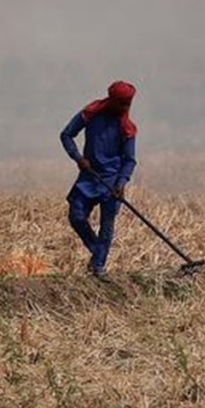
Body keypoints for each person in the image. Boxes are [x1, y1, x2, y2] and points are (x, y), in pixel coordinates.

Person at [60, 80, 138, 278]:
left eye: (127, 104)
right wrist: (78, 158)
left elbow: (129, 160)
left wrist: (121, 183)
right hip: (88, 176)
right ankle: (98, 252)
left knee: (107, 226)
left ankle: (98, 268)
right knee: (76, 217)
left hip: (112, 183)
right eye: (121, 103)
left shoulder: (127, 128)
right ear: (112, 100)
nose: (125, 108)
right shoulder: (91, 113)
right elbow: (67, 135)